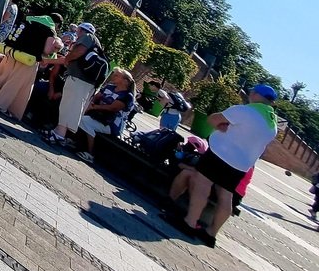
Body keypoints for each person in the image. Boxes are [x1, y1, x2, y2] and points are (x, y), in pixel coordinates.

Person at [164, 84, 280, 246]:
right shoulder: (272, 125)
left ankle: (190, 222)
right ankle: (211, 234)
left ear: (254, 94)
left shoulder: (245, 111)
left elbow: (213, 119)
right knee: (226, 196)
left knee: (201, 183)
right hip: (241, 165)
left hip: (220, 154)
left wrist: (224, 126)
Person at [0, 12, 62, 120]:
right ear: (57, 23)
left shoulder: (30, 19)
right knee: (16, 82)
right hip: (29, 59)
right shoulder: (50, 30)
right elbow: (46, 50)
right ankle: (0, 105)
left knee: (4, 75)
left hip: (13, 52)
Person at [41, 21, 104, 148]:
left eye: (78, 30)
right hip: (86, 81)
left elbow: (78, 52)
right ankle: (59, 133)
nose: (76, 33)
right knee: (70, 107)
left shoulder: (87, 37)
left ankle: (58, 134)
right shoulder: (96, 43)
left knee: (68, 105)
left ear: (81, 30)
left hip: (78, 79)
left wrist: (68, 59)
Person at [75, 68, 136, 162]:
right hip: (97, 116)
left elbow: (113, 108)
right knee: (78, 115)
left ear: (125, 81)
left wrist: (94, 107)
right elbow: (97, 96)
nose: (113, 76)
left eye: (116, 75)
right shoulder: (110, 87)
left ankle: (90, 153)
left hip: (111, 124)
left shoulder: (127, 96)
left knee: (84, 120)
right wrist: (91, 103)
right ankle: (73, 141)